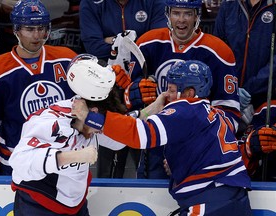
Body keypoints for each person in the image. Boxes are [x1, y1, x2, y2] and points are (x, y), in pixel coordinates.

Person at [76, 60, 252, 216]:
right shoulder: (216, 114)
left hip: (209, 202)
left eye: (171, 90)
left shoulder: (185, 109)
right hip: (236, 199)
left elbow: (140, 134)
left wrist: (92, 118)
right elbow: (211, 152)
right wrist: (181, 162)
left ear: (189, 93)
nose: (166, 95)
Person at [122, 0, 240, 179]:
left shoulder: (219, 51)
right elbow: (127, 100)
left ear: (197, 16)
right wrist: (135, 93)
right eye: (176, 13)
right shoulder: (147, 43)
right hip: (157, 141)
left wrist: (195, 147)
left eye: (188, 14)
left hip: (198, 146)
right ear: (168, 14)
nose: (181, 20)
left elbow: (230, 116)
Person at [9, 54, 129, 215]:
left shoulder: (91, 118)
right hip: (39, 201)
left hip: (74, 203)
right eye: (101, 124)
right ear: (92, 112)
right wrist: (74, 157)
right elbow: (19, 161)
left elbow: (119, 140)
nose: (102, 129)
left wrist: (148, 111)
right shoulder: (51, 122)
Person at [0, 0, 77, 175]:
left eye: (41, 28)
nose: (37, 36)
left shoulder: (67, 59)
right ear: (16, 30)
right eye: (29, 29)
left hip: (61, 158)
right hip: (18, 160)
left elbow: (85, 105)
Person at [79, 0, 167, 178]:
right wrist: (125, 43)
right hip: (106, 92)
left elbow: (156, 44)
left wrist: (113, 41)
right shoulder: (91, 3)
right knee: (107, 163)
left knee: (145, 161)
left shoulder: (155, 2)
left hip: (143, 88)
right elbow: (93, 46)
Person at [213, 0, 276, 180]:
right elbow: (217, 51)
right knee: (228, 157)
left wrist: (249, 89)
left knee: (264, 152)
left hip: (266, 100)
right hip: (229, 98)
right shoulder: (228, 7)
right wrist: (231, 90)